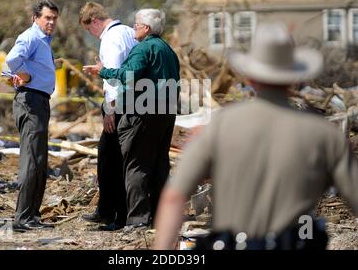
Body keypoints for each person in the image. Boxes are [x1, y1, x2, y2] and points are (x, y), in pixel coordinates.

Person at [153, 22, 358, 250]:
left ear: (250, 78)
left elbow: (174, 196)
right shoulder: (325, 134)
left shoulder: (220, 125)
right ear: (293, 78)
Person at [87, 8, 180, 230]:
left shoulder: (143, 49)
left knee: (136, 166)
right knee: (160, 165)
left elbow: (128, 75)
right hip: (166, 113)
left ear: (146, 28)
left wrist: (103, 70)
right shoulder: (168, 50)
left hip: (142, 112)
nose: (133, 28)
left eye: (136, 25)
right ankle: (160, 216)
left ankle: (138, 219)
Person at [80, 2, 138, 230]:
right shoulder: (127, 32)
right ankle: (106, 210)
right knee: (113, 158)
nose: (91, 35)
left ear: (94, 21)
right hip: (134, 101)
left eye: (88, 30)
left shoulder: (111, 38)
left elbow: (113, 78)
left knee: (111, 160)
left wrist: (110, 111)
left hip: (119, 103)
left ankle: (115, 215)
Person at [5, 0, 59, 232]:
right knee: (31, 160)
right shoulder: (31, 36)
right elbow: (10, 61)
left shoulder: (43, 40)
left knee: (39, 160)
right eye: (47, 17)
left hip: (40, 101)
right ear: (35, 18)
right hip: (30, 101)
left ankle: (32, 215)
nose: (51, 22)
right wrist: (24, 75)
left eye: (54, 18)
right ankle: (23, 218)